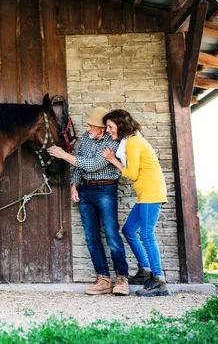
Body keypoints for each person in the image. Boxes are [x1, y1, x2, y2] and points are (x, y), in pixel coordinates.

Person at [48, 106, 129, 296]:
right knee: (92, 238)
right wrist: (74, 185)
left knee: (111, 235)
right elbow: (80, 164)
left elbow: (92, 165)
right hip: (86, 190)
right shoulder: (86, 138)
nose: (87, 128)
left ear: (102, 128)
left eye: (91, 126)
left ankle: (122, 278)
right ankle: (103, 279)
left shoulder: (113, 141)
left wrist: (64, 155)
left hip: (106, 190)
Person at [101, 109, 170, 297]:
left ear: (120, 126)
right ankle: (145, 271)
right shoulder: (130, 140)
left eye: (110, 126)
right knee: (129, 230)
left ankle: (159, 281)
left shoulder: (132, 142)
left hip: (151, 190)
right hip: (146, 192)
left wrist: (113, 160)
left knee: (147, 234)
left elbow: (132, 173)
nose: (108, 130)